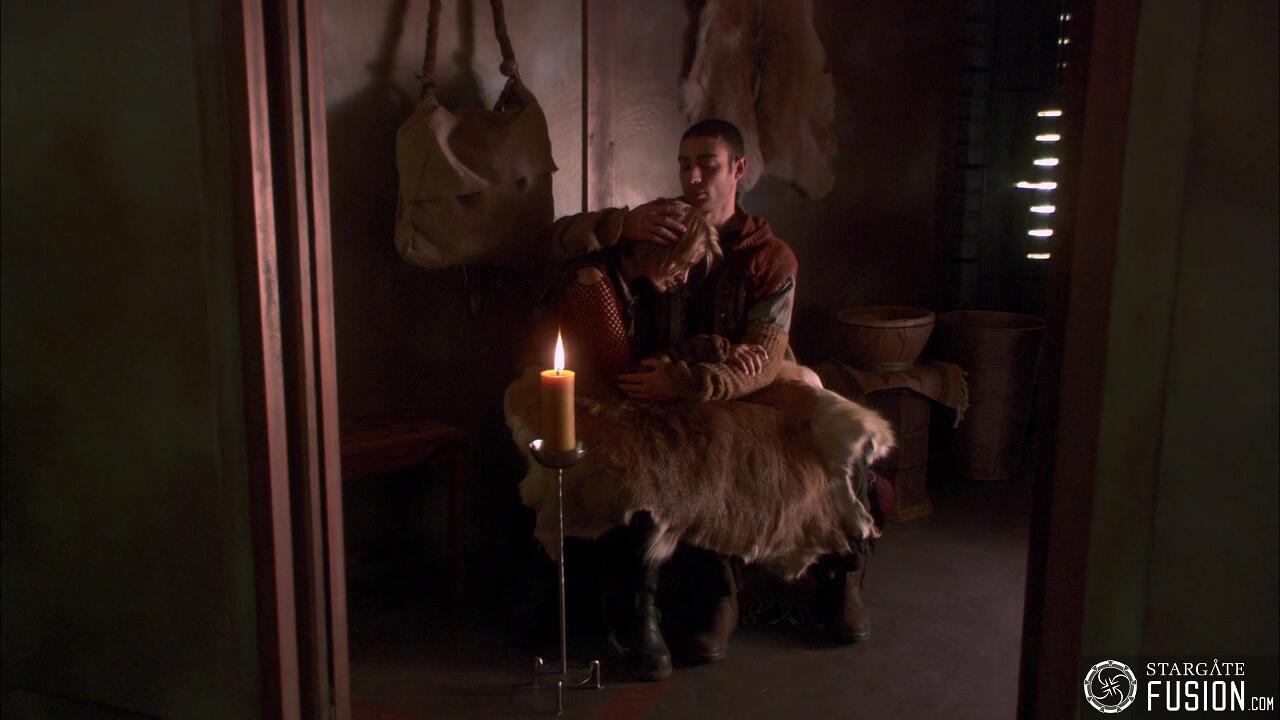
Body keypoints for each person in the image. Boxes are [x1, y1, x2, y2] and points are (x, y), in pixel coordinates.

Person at [541, 119, 872, 678]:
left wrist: (697, 382)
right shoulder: (657, 228)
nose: (692, 177)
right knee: (674, 449)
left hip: (740, 383)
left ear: (738, 169)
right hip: (658, 382)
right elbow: (552, 243)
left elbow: (763, 358)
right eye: (684, 164)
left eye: (707, 164)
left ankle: (842, 576)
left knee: (845, 426)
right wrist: (620, 223)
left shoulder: (769, 256)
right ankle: (714, 592)